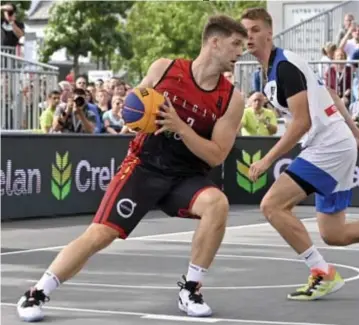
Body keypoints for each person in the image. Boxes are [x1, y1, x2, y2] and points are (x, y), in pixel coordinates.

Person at [17, 15, 247, 321]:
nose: (240, 52)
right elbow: (133, 106)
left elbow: (216, 155)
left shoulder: (231, 99)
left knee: (217, 204)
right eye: (235, 44)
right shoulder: (164, 68)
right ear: (214, 42)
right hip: (144, 166)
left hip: (185, 176)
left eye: (243, 46)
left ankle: (190, 289)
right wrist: (135, 112)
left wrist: (180, 127)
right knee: (100, 234)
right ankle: (37, 293)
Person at [241, 8, 359, 301]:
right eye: (245, 32)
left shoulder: (284, 67)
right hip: (336, 142)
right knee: (335, 234)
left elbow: (303, 122)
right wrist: (355, 132)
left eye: (255, 30)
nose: (249, 36)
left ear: (269, 33)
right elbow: (329, 91)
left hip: (327, 145)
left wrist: (267, 160)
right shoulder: (268, 72)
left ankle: (321, 272)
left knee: (272, 205)